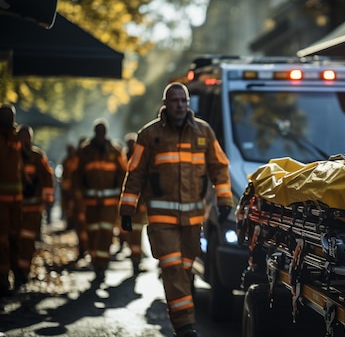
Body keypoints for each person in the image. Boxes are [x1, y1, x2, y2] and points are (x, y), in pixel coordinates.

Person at [119, 82, 232, 337]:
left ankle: (183, 310)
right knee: (172, 267)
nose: (180, 105)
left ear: (188, 103)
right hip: (162, 220)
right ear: (165, 104)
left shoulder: (203, 132)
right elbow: (135, 173)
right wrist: (127, 210)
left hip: (193, 220)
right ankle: (185, 326)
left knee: (184, 268)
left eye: (184, 100)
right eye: (175, 101)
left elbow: (220, 167)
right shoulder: (149, 135)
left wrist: (224, 201)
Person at [74, 119, 127, 281]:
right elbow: (77, 175)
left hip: (109, 204)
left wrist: (121, 195)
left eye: (103, 131)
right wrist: (80, 196)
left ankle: (101, 266)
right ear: (94, 132)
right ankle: (95, 259)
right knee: (93, 233)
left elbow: (123, 174)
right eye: (98, 131)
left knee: (106, 233)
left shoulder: (115, 151)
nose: (100, 134)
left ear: (106, 132)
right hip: (90, 203)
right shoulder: (85, 152)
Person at [15, 124, 54, 287]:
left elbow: (48, 176)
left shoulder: (37, 156)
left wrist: (47, 200)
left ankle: (23, 273)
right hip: (13, 207)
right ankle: (13, 271)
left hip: (32, 209)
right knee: (12, 240)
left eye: (27, 137)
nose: (24, 141)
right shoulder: (11, 156)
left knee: (27, 240)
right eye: (21, 137)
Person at [0, 104, 23, 299]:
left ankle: (17, 272)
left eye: (11, 116)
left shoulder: (16, 138)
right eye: (6, 116)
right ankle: (1, 279)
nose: (9, 120)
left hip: (16, 200)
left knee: (15, 238)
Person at [122, 131, 148, 274]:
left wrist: (143, 202)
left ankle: (136, 259)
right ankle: (134, 255)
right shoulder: (121, 158)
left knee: (137, 231)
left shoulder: (141, 158)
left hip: (139, 205)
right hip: (127, 204)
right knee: (128, 232)